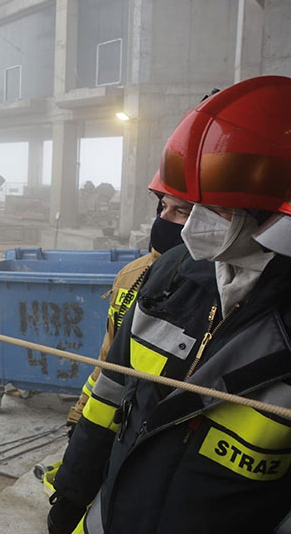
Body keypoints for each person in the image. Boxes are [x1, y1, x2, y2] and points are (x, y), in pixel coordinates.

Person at [48, 74, 291, 534]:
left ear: (274, 213)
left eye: (212, 210)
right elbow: (109, 394)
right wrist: (72, 490)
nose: (187, 226)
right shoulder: (169, 276)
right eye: (181, 206)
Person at [65, 181, 193, 428]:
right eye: (163, 206)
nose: (163, 219)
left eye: (181, 212)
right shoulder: (130, 276)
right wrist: (80, 415)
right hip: (122, 423)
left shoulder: (221, 293)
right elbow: (108, 358)